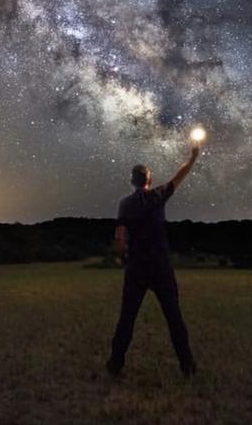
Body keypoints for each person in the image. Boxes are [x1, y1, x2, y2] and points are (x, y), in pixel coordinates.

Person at [106, 144, 200, 379]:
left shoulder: (125, 204)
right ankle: (187, 366)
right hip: (160, 266)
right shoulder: (159, 195)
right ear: (149, 179)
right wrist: (192, 158)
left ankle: (115, 366)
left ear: (132, 181)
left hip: (136, 266)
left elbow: (119, 239)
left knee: (127, 318)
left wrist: (123, 253)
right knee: (173, 317)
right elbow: (179, 176)